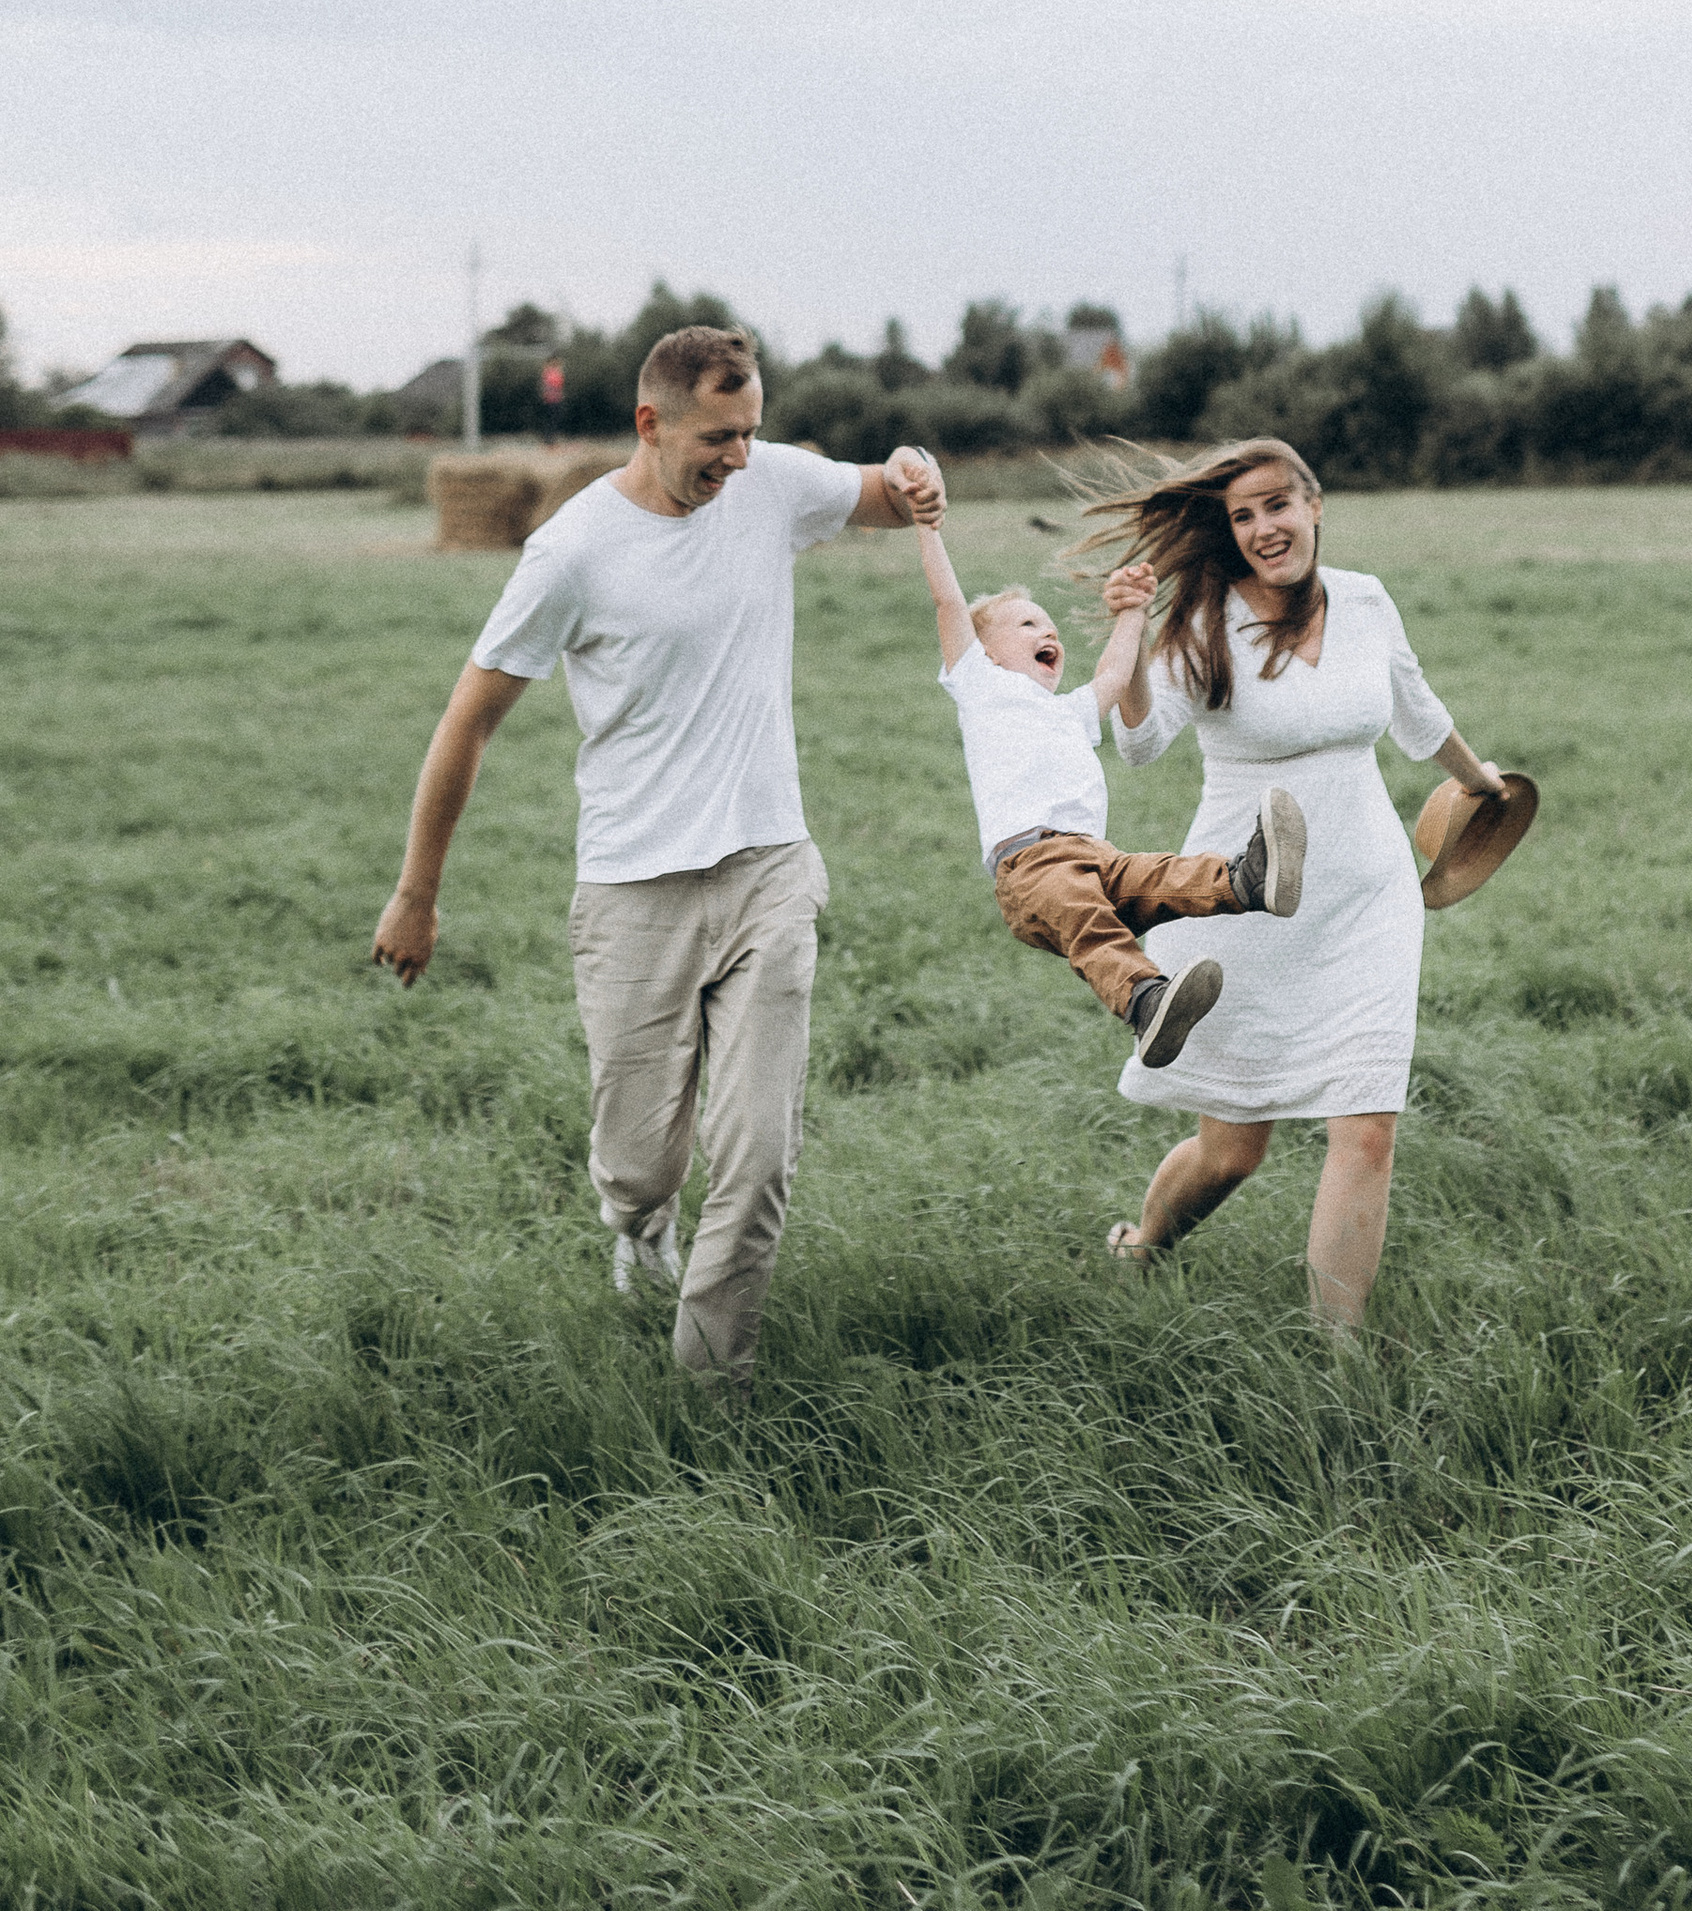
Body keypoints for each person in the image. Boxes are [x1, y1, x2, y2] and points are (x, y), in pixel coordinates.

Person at [370, 322, 942, 1395]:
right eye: (717, 437)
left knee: (760, 1156)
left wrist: (915, 473)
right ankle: (638, 1224)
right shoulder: (574, 550)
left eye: (751, 431)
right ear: (651, 422)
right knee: (643, 1157)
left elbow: (877, 491)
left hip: (768, 866)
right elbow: (470, 719)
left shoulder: (768, 485)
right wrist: (417, 892)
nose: (736, 457)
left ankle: (707, 1391)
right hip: (633, 888)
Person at [1076, 437, 1513, 1338]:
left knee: (1367, 1129)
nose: (1264, 526)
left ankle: (1336, 1362)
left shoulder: (1364, 598)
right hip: (1249, 900)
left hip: (1368, 893)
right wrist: (1130, 624)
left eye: (1279, 504)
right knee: (1233, 1150)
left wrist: (1485, 785)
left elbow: (1415, 708)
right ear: (1229, 533)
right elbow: (1140, 741)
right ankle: (1144, 1244)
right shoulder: (1206, 622)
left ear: (1315, 505)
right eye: (1243, 515)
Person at [914, 519, 1307, 1065]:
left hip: (1093, 855)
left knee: (1162, 875)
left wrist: (1132, 613)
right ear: (986, 653)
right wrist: (929, 527)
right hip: (1030, 866)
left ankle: (1247, 882)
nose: (1047, 633)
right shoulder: (981, 687)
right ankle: (1147, 1002)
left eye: (1050, 627)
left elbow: (1115, 677)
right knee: (1092, 928)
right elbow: (947, 603)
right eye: (1028, 623)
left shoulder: (1068, 712)